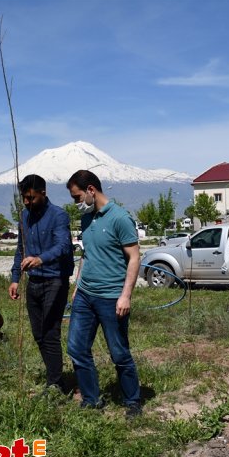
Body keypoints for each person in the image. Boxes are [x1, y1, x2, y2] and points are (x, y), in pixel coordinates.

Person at [65, 170, 142, 419]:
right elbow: (87, 255)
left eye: (77, 197)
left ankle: (132, 401)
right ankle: (91, 400)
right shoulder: (88, 219)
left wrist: (126, 296)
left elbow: (134, 257)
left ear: (90, 190)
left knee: (119, 352)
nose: (77, 203)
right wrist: (78, 286)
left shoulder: (120, 218)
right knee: (76, 348)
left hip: (111, 297)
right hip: (86, 296)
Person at [9, 174, 74, 392]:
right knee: (38, 333)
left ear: (43, 193)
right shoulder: (24, 217)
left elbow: (63, 247)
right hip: (34, 282)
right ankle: (54, 375)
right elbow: (21, 250)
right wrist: (15, 278)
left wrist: (40, 259)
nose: (27, 202)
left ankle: (55, 383)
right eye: (24, 198)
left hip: (55, 279)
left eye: (31, 198)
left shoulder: (58, 216)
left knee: (50, 332)